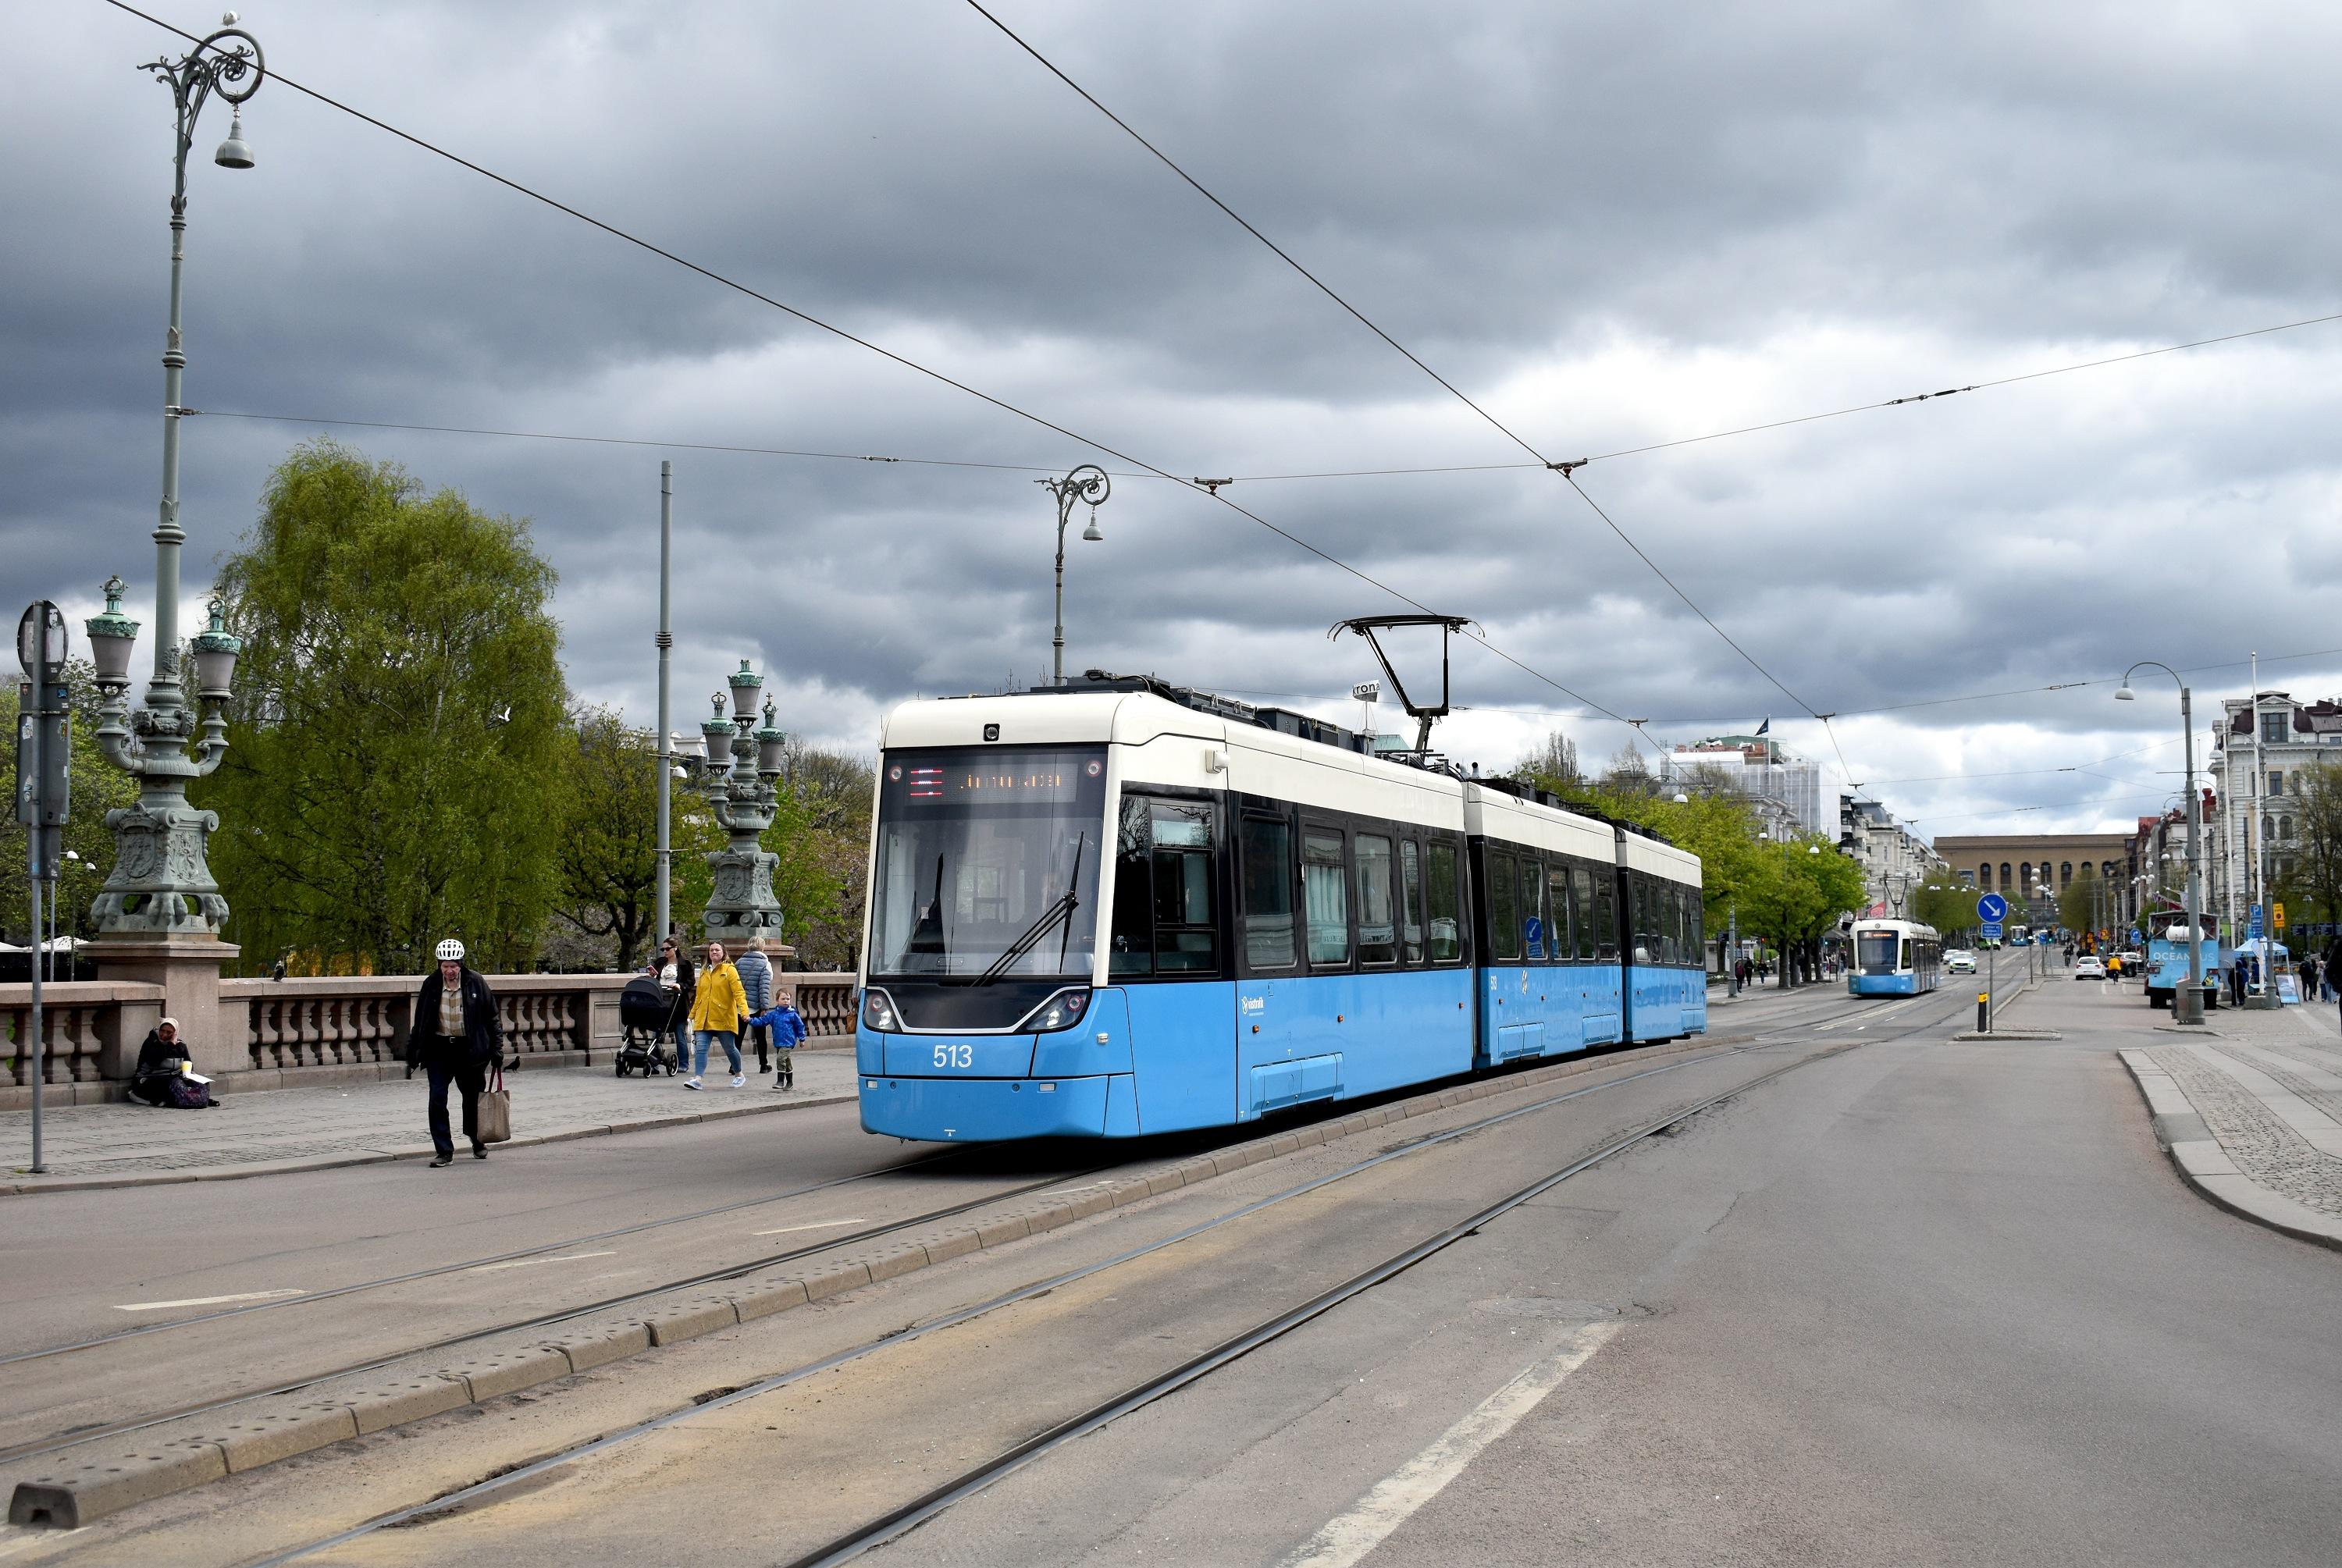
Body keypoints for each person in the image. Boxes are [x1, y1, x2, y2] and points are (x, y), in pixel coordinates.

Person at [411, 938, 503, 1167]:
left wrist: (497, 1050)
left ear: (461, 964)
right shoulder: (431, 985)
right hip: (439, 1050)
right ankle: (444, 1150)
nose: (450, 971)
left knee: (472, 1100)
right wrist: (413, 1051)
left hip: (469, 1050)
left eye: (453, 966)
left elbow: (492, 1018)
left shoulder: (476, 983)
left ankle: (477, 1139)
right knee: (437, 1100)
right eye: (445, 966)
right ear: (439, 966)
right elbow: (420, 1020)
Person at [685, 939, 750, 1090]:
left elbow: (739, 993)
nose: (714, 952)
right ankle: (698, 1079)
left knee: (729, 1048)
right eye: (711, 950)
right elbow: (699, 995)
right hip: (704, 1016)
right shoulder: (704, 971)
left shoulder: (729, 970)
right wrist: (692, 1014)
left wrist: (744, 1012)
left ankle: (739, 1074)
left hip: (723, 1016)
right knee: (701, 1048)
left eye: (717, 950)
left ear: (723, 953)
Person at [126, 1017, 215, 1108]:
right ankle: (179, 1100)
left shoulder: (180, 1045)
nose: (164, 1035)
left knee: (202, 1084)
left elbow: (189, 1065)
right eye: (162, 1031)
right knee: (171, 1084)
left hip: (175, 1078)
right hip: (148, 1079)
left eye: (169, 1033)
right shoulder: (151, 1042)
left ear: (175, 1033)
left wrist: (187, 1074)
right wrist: (170, 1046)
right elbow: (154, 1061)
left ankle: (198, 1100)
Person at [737, 933, 775, 1076]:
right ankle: (763, 1064)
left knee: (738, 1036)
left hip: (740, 1006)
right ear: (762, 947)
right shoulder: (765, 964)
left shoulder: (739, 962)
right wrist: (765, 1007)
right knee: (760, 1037)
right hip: (756, 1006)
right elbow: (764, 987)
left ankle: (734, 1065)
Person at [657, 934, 696, 1067]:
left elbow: (691, 981)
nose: (665, 952)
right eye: (663, 950)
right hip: (661, 1001)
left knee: (680, 1034)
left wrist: (680, 985)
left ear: (675, 948)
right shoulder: (660, 962)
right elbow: (656, 979)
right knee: (656, 1032)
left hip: (677, 1003)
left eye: (667, 949)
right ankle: (654, 1062)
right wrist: (652, 976)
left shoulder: (685, 964)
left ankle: (683, 1063)